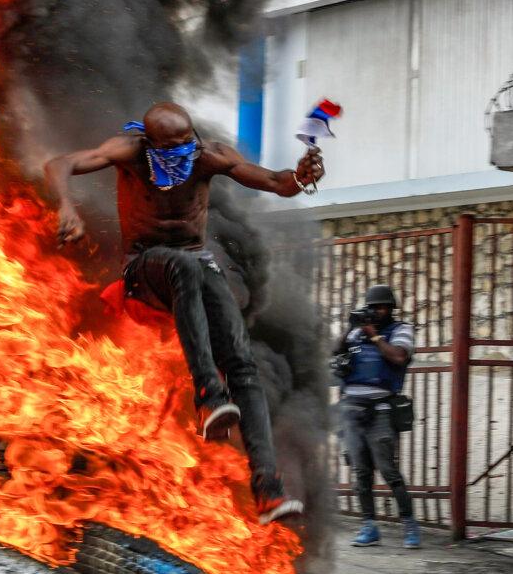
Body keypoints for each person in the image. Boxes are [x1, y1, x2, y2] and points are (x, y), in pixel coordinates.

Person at [44, 101, 325, 525]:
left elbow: (273, 181)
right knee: (185, 264)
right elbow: (61, 162)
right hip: (145, 268)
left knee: (242, 363)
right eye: (170, 148)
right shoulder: (130, 151)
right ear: (150, 143)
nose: (181, 154)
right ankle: (209, 397)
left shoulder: (206, 155)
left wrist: (300, 178)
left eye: (186, 145)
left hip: (195, 264)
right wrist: (67, 205)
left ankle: (268, 488)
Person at [333, 285, 420, 549]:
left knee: (388, 470)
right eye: (372, 307)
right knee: (360, 472)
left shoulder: (401, 330)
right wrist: (350, 329)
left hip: (381, 408)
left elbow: (398, 357)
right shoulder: (358, 332)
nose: (376, 311)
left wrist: (373, 336)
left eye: (381, 307)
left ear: (391, 308)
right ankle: (369, 526)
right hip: (351, 409)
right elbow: (333, 353)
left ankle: (409, 525)